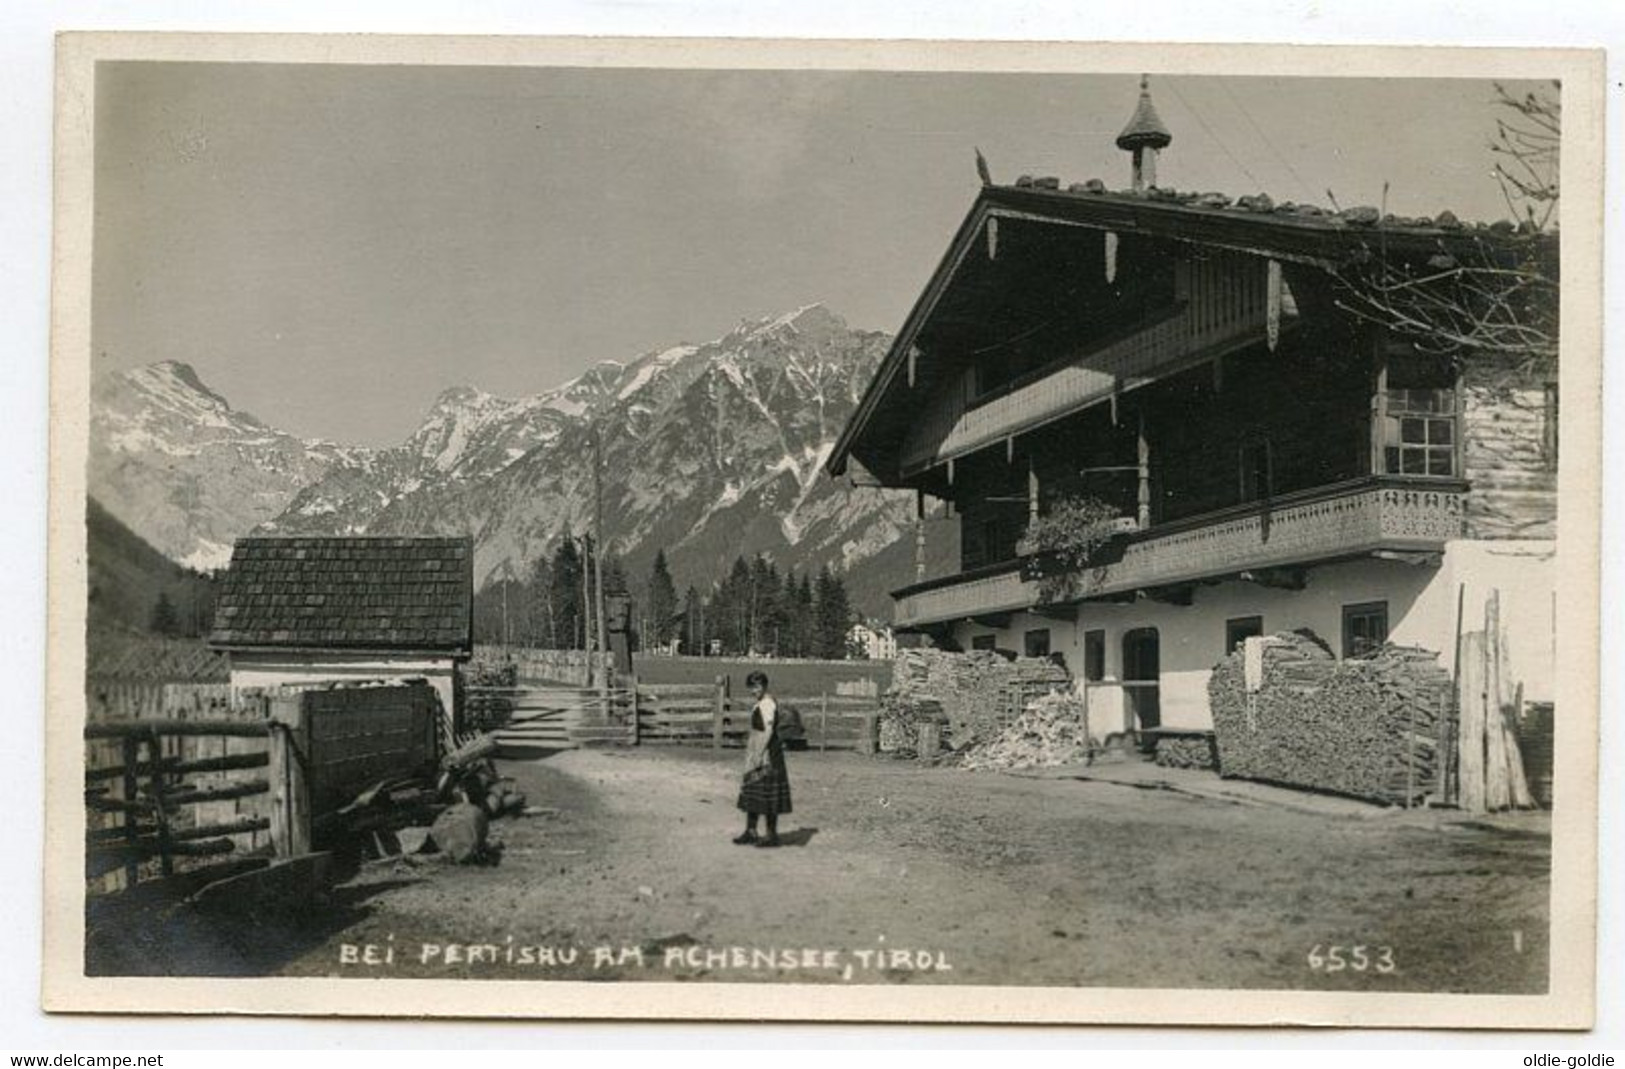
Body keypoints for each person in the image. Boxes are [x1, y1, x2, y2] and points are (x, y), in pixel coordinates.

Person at [734, 670, 792, 848]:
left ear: (764, 686)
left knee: (767, 795)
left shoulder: (767, 704)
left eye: (757, 687)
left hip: (768, 754)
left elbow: (767, 730)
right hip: (757, 750)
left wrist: (759, 754)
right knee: (754, 791)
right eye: (751, 687)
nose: (754, 691)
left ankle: (771, 835)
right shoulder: (759, 703)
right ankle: (751, 831)